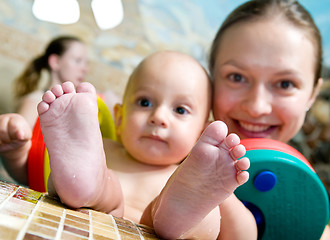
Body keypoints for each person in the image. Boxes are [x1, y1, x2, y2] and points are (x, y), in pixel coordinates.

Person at [38, 51, 254, 239]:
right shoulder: (100, 148)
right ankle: (86, 186)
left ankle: (178, 215)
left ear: (200, 133)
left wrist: (223, 195)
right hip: (99, 213)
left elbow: (242, 236)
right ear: (120, 119)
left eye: (180, 110)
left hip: (163, 228)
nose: (158, 117)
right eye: (145, 103)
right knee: (92, 183)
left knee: (206, 217)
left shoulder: (204, 176)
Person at [207, 0, 330, 239]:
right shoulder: (154, 164)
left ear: (312, 95)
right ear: (211, 79)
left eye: (285, 84)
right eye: (237, 77)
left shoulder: (312, 230)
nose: (256, 107)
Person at [0, 36, 116, 190]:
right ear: (55, 62)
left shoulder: (86, 103)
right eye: (78, 60)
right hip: (28, 184)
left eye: (86, 63)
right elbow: (17, 153)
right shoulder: (34, 101)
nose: (85, 68)